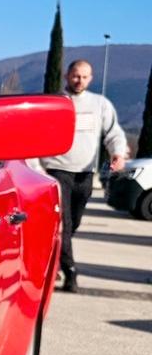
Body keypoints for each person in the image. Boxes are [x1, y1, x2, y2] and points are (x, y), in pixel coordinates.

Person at [41, 58, 127, 291]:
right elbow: (38, 135)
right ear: (67, 76)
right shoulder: (55, 103)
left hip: (84, 175)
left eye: (84, 77)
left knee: (73, 223)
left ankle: (57, 258)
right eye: (75, 75)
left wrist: (117, 153)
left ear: (91, 78)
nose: (79, 80)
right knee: (65, 224)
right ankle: (71, 273)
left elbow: (113, 133)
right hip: (57, 170)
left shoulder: (99, 104)